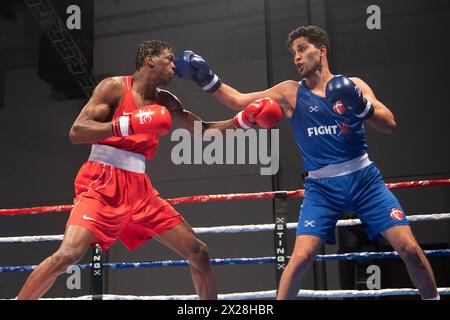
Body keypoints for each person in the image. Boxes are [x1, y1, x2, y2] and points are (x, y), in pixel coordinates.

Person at [175, 25, 440, 300]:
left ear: (321, 51)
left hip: (365, 181)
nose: (297, 58)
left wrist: (361, 105)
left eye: (302, 49)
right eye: (293, 53)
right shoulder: (290, 92)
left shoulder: (355, 86)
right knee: (301, 258)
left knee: (409, 250)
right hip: (321, 189)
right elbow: (236, 100)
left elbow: (390, 124)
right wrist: (206, 79)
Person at [17, 40, 282, 300]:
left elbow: (203, 132)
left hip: (140, 189)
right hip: (102, 181)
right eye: (169, 59)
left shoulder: (165, 100)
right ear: (150, 59)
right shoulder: (114, 88)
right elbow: (77, 132)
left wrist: (244, 120)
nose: (174, 67)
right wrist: (125, 125)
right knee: (68, 256)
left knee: (198, 252)